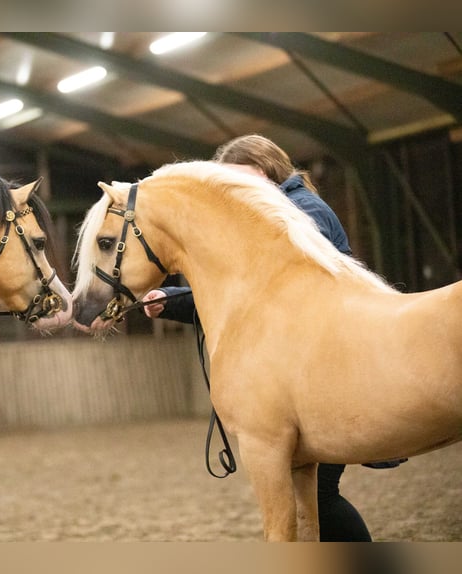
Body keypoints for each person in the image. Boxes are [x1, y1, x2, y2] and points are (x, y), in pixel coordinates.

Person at [142, 133, 403, 542]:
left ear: (263, 171)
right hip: (311, 358)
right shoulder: (284, 208)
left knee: (322, 493)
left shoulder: (299, 211)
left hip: (324, 363)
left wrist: (175, 298)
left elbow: (260, 291)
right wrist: (173, 300)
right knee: (317, 495)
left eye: (239, 178)